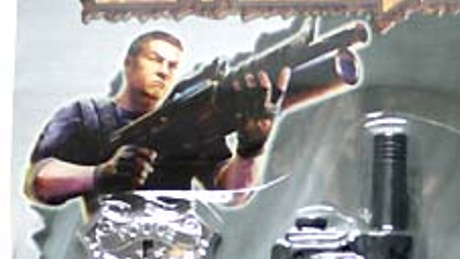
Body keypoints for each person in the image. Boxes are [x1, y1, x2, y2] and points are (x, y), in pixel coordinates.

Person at [25, 30, 288, 205]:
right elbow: (39, 181)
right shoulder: (86, 114)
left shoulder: (188, 124)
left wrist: (250, 149)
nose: (164, 71)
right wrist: (100, 174)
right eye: (155, 59)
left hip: (175, 251)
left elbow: (233, 195)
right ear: (129, 63)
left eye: (172, 65)